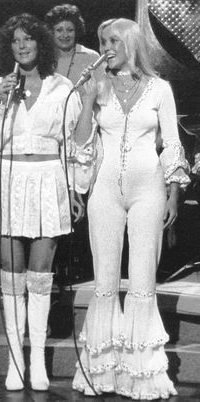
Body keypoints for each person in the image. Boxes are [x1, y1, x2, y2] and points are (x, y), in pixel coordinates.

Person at [0, 13, 90, 392]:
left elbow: (74, 143)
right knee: (11, 272)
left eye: (29, 40)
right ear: (9, 47)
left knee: (41, 274)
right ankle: (15, 360)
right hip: (8, 179)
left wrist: (76, 189)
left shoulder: (61, 88)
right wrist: (2, 101)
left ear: (41, 44)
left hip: (48, 180)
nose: (22, 46)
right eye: (16, 42)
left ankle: (37, 358)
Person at [72, 18, 190, 399]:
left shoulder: (160, 89)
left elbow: (171, 143)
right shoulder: (97, 86)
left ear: (130, 44)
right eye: (102, 40)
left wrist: (173, 191)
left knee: (142, 281)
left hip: (148, 190)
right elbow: (80, 142)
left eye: (112, 40)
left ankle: (142, 377)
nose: (105, 46)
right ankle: (103, 373)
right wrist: (88, 99)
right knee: (105, 281)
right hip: (105, 189)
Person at [44, 4, 101, 94]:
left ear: (76, 31)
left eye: (70, 30)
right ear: (51, 32)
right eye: (59, 30)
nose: (65, 35)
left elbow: (103, 92)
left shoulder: (92, 57)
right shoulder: (44, 57)